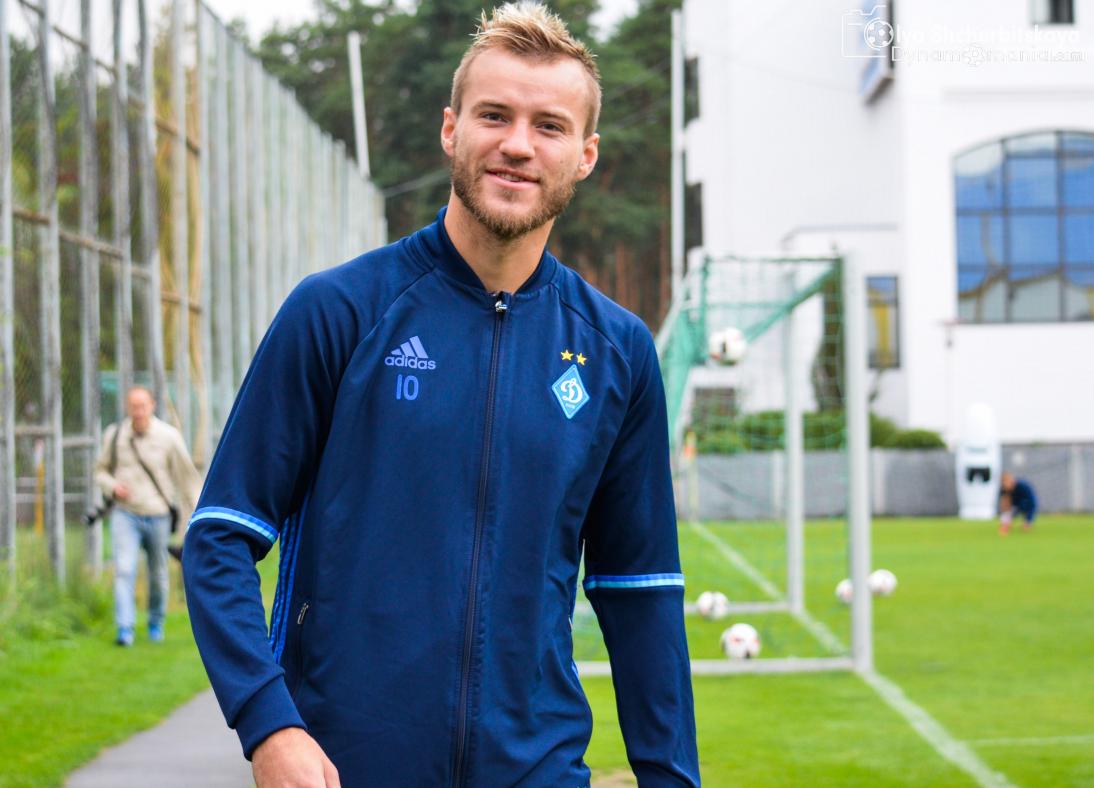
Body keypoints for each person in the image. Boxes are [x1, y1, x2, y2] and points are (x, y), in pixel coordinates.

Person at [183, 4, 700, 786]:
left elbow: (641, 589)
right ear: (451, 129)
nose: (518, 144)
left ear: (585, 155)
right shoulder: (339, 311)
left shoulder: (617, 350)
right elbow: (221, 535)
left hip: (538, 769)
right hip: (347, 767)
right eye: (495, 115)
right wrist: (270, 725)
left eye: (549, 126)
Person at [95, 386, 202, 646]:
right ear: (127, 407)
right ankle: (125, 629)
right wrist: (112, 487)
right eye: (134, 406)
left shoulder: (168, 437)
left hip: (158, 514)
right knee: (124, 569)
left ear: (152, 406)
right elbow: (100, 471)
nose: (138, 411)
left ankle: (156, 623)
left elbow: (187, 478)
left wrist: (198, 515)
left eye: (142, 406)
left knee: (158, 573)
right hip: (125, 513)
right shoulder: (115, 435)